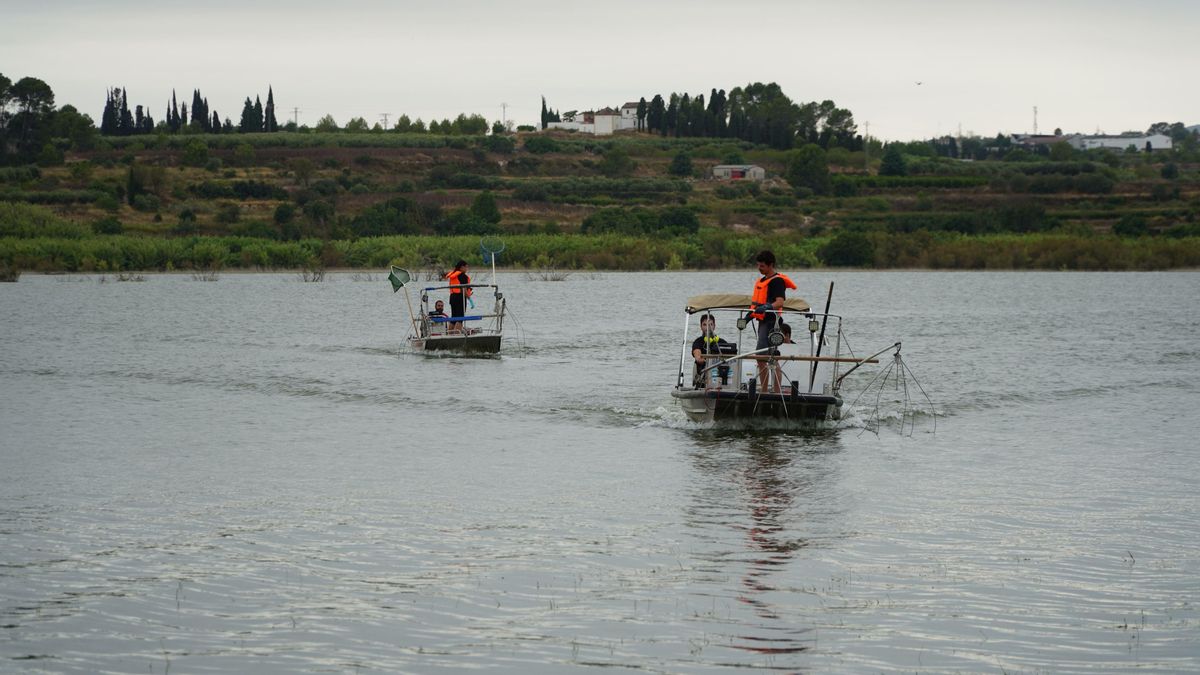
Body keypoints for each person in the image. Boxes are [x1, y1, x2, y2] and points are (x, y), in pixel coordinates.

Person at [749, 250, 796, 393]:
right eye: (758, 265)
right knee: (766, 357)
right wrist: (748, 317)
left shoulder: (776, 281)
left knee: (764, 356)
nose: (759, 268)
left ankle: (771, 391)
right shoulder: (762, 281)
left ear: (771, 265)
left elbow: (780, 302)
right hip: (762, 322)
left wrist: (767, 307)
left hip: (772, 323)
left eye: (762, 266)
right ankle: (766, 389)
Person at [691, 313, 736, 387]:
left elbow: (732, 357)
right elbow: (697, 354)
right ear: (701, 327)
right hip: (703, 376)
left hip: (720, 374)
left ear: (714, 326)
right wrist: (700, 359)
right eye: (704, 325)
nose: (707, 327)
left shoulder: (722, 342)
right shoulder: (698, 341)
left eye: (710, 324)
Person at [444, 260, 472, 332]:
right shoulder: (463, 276)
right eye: (466, 267)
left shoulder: (454, 275)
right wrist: (468, 297)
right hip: (460, 298)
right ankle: (456, 334)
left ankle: (449, 334)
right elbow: (463, 288)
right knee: (460, 318)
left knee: (454, 318)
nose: (467, 269)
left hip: (452, 297)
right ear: (462, 267)